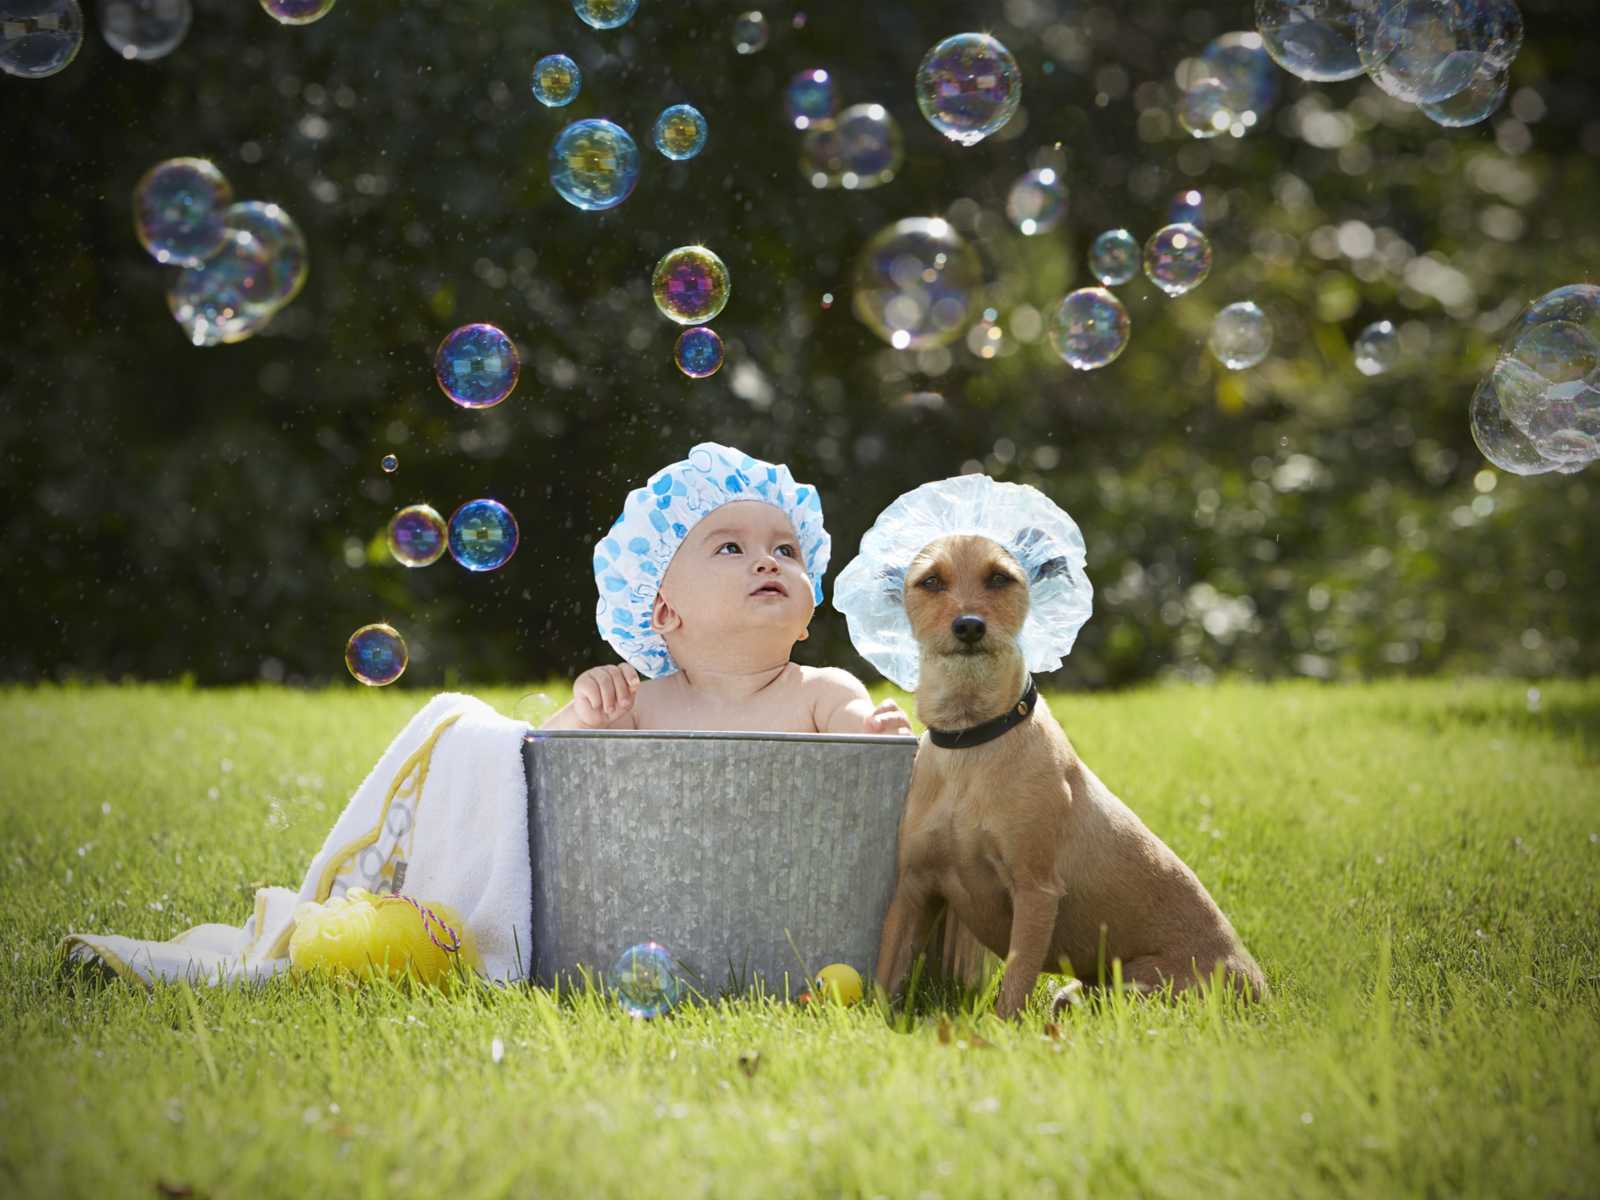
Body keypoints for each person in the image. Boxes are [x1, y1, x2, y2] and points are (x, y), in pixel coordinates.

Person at [542, 442, 913, 735]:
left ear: (805, 619)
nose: (769, 562)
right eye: (730, 548)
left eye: (786, 550)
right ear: (664, 611)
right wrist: (585, 714)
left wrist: (881, 735)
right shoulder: (640, 708)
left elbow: (869, 757)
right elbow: (546, 764)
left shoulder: (824, 694)